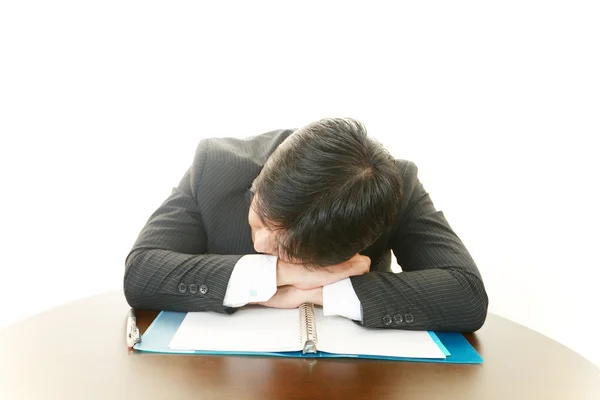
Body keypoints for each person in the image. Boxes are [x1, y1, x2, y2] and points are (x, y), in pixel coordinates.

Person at [124, 118, 488, 331]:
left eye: (286, 250)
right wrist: (277, 275)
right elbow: (142, 272)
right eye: (261, 215)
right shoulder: (216, 165)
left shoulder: (398, 188)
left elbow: (465, 295)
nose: (262, 243)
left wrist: (315, 292)